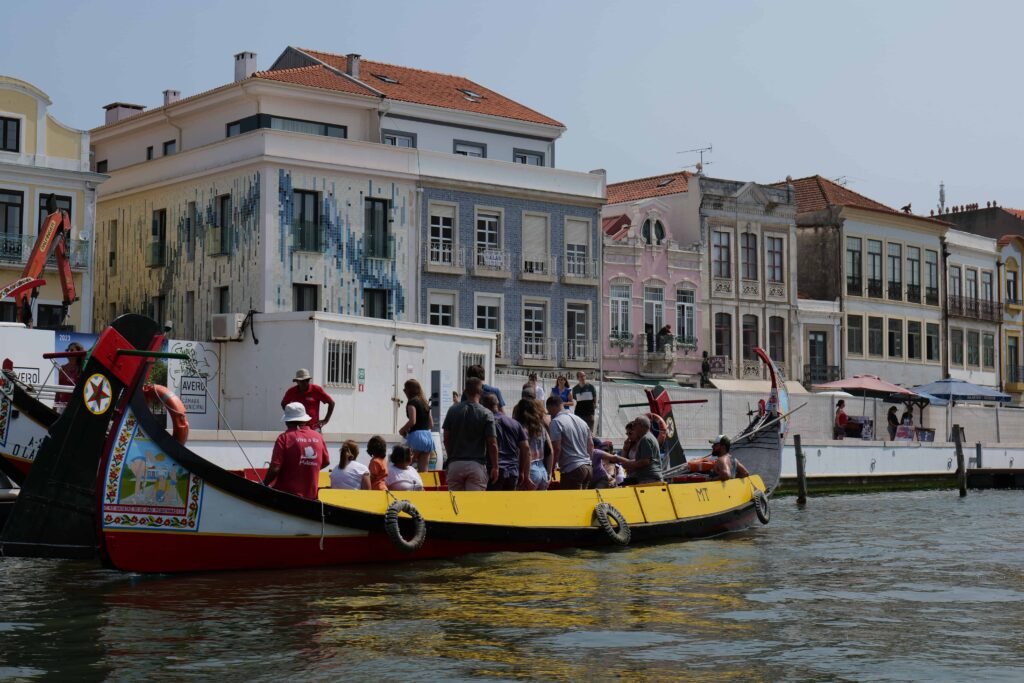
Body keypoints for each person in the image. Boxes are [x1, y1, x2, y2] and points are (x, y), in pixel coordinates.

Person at [263, 402, 330, 499]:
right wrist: (307, 467)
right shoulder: (318, 437)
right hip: (310, 498)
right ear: (305, 419)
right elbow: (325, 462)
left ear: (287, 421)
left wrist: (263, 484)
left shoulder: (284, 438)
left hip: (285, 497)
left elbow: (275, 468)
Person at [443, 377, 499, 491]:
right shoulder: (486, 413)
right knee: (474, 505)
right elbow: (492, 443)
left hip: (455, 464)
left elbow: (446, 438)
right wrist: (495, 466)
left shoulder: (452, 410)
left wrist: (450, 457)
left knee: (455, 504)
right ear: (481, 392)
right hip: (476, 465)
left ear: (464, 391)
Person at [483, 393, 531, 490]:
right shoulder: (514, 423)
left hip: (494, 471)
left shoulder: (487, 422)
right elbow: (525, 447)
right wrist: (521, 471)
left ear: (484, 405)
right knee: (509, 504)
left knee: (493, 504)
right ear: (497, 404)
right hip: (512, 471)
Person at [546, 395, 593, 489]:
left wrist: (551, 469)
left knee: (572, 502)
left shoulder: (556, 422)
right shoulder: (581, 421)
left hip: (572, 469)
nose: (550, 415)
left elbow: (556, 448)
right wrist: (589, 462)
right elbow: (591, 445)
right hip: (588, 468)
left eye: (549, 411)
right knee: (582, 502)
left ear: (552, 406)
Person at [603, 416, 664, 485]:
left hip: (649, 478)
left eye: (635, 424)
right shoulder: (648, 437)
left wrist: (629, 463)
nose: (634, 427)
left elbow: (645, 461)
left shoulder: (645, 439)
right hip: (647, 477)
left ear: (641, 425)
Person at [513, 397, 552, 490]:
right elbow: (550, 451)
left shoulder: (521, 429)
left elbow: (527, 452)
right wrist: (549, 473)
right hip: (542, 471)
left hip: (530, 470)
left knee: (523, 503)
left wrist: (525, 475)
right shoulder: (541, 428)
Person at [399, 379, 434, 472]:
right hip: (428, 437)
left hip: (416, 437)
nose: (404, 392)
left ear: (409, 390)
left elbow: (412, 421)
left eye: (405, 389)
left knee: (406, 464)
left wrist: (402, 430)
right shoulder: (425, 403)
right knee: (424, 468)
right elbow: (431, 424)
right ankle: (423, 485)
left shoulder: (412, 403)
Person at [54, 342, 85, 412]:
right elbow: (58, 390)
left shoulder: (82, 369)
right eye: (67, 350)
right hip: (62, 407)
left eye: (71, 350)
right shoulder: (62, 368)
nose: (68, 352)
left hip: (75, 407)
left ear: (78, 353)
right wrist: (55, 406)